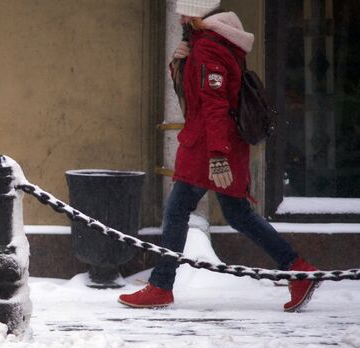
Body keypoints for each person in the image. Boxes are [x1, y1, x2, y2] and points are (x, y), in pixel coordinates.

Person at [118, 0, 319, 312]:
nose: (181, 18)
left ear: (200, 13)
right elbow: (196, 97)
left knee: (176, 211)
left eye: (186, 12)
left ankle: (160, 286)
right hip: (216, 144)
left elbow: (214, 106)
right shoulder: (210, 44)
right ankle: (298, 269)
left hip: (207, 148)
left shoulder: (209, 47)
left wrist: (217, 157)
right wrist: (178, 64)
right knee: (238, 214)